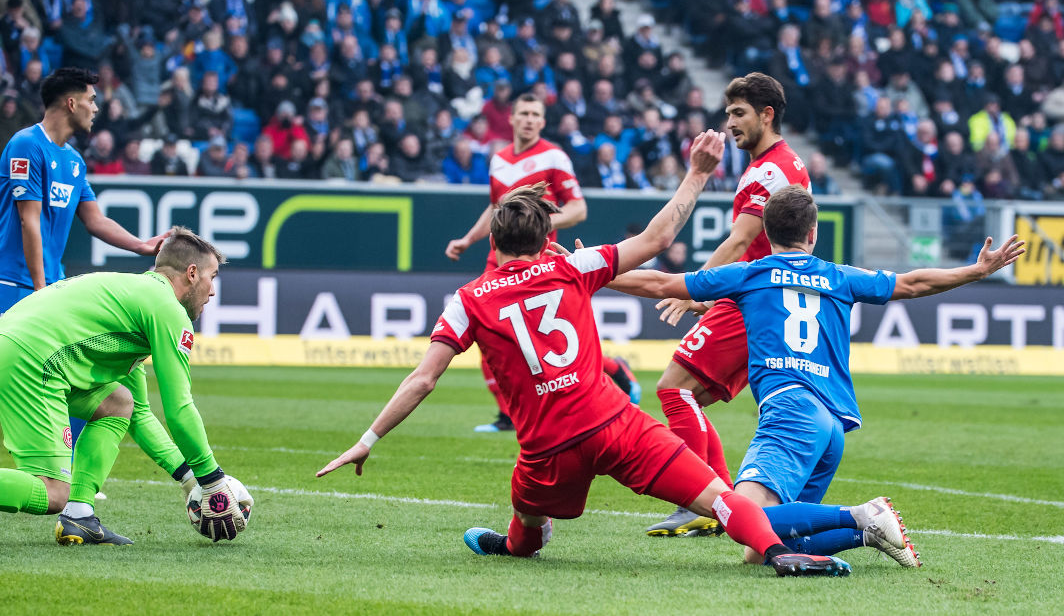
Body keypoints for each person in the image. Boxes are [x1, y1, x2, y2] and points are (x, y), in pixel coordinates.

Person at [316, 141, 854, 578]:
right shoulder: (573, 266)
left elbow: (423, 379)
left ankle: (516, 541)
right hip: (618, 424)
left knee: (526, 528)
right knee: (719, 498)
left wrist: (368, 440)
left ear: (496, 242)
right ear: (548, 237)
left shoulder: (469, 300)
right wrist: (696, 174)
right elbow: (659, 236)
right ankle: (783, 554)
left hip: (548, 449)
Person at [595, 186, 1023, 565]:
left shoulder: (750, 273)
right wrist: (977, 270)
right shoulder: (839, 276)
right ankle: (864, 532)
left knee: (738, 514)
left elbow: (659, 283)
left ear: (766, 231)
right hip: (831, 425)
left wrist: (594, 270)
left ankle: (860, 514)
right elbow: (913, 283)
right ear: (813, 233)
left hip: (790, 411)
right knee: (757, 549)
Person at [0, 68, 170, 487]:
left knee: (73, 371)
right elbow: (29, 222)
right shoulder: (25, 145)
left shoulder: (73, 162)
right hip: (8, 278)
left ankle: (65, 474)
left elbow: (94, 220)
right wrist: (42, 291)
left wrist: (143, 246)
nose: (97, 107)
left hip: (49, 283)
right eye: (91, 99)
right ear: (71, 102)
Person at [0, 228, 251, 547]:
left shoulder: (133, 298)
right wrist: (213, 480)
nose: (213, 291)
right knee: (51, 492)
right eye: (212, 277)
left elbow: (139, 413)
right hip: (30, 360)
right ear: (191, 274)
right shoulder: (167, 310)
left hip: (2, 346)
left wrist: (190, 480)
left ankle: (80, 515)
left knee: (118, 403)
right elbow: (179, 407)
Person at [640, 73, 811, 537]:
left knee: (674, 388)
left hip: (752, 299)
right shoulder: (779, 163)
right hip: (758, 299)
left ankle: (705, 499)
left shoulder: (769, 170)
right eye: (728, 113)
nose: (729, 123)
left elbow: (740, 243)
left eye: (738, 113)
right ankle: (722, 503)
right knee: (690, 396)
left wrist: (693, 288)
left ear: (766, 114)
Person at [443, 93, 637, 433]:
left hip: (538, 257)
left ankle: (613, 369)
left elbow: (578, 208)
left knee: (543, 339)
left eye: (536, 114)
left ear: (543, 122)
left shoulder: (553, 156)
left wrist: (536, 225)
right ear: (513, 119)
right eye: (524, 113)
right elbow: (495, 208)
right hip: (498, 258)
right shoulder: (499, 159)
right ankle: (507, 416)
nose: (530, 119)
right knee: (493, 337)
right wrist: (468, 238)